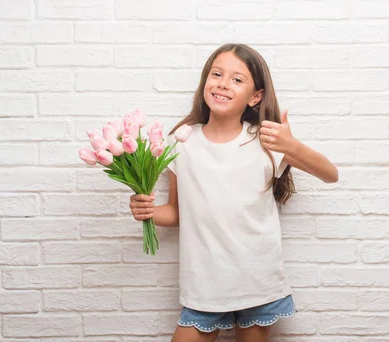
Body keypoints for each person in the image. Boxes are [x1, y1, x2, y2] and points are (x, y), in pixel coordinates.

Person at [129, 43, 338, 342]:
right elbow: (176, 212)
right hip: (204, 283)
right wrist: (147, 211)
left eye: (237, 79)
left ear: (256, 96)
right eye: (217, 74)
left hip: (255, 280)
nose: (223, 84)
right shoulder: (181, 143)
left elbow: (330, 175)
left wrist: (292, 146)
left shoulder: (266, 141)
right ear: (205, 81)